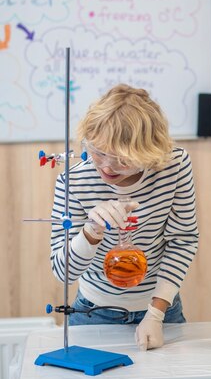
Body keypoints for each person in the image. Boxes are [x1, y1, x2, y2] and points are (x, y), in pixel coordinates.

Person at [50, 84, 198, 350]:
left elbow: (182, 240)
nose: (107, 166)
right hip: (94, 312)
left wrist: (155, 313)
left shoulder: (174, 166)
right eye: (98, 151)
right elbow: (63, 273)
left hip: (161, 308)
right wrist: (90, 232)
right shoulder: (74, 181)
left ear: (149, 152)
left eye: (122, 159)